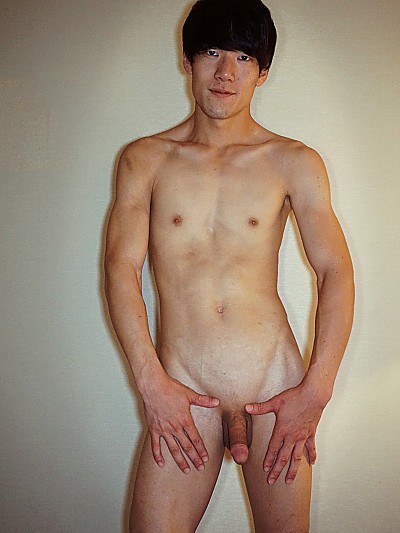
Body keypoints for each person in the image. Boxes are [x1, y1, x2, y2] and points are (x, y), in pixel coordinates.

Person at [104, 0, 355, 531]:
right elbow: (120, 268)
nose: (225, 72)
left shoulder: (294, 161)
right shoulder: (144, 159)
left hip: (274, 389)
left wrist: (317, 389)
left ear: (262, 72)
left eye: (243, 57)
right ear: (188, 60)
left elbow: (335, 269)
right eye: (212, 52)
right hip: (182, 391)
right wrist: (150, 383)